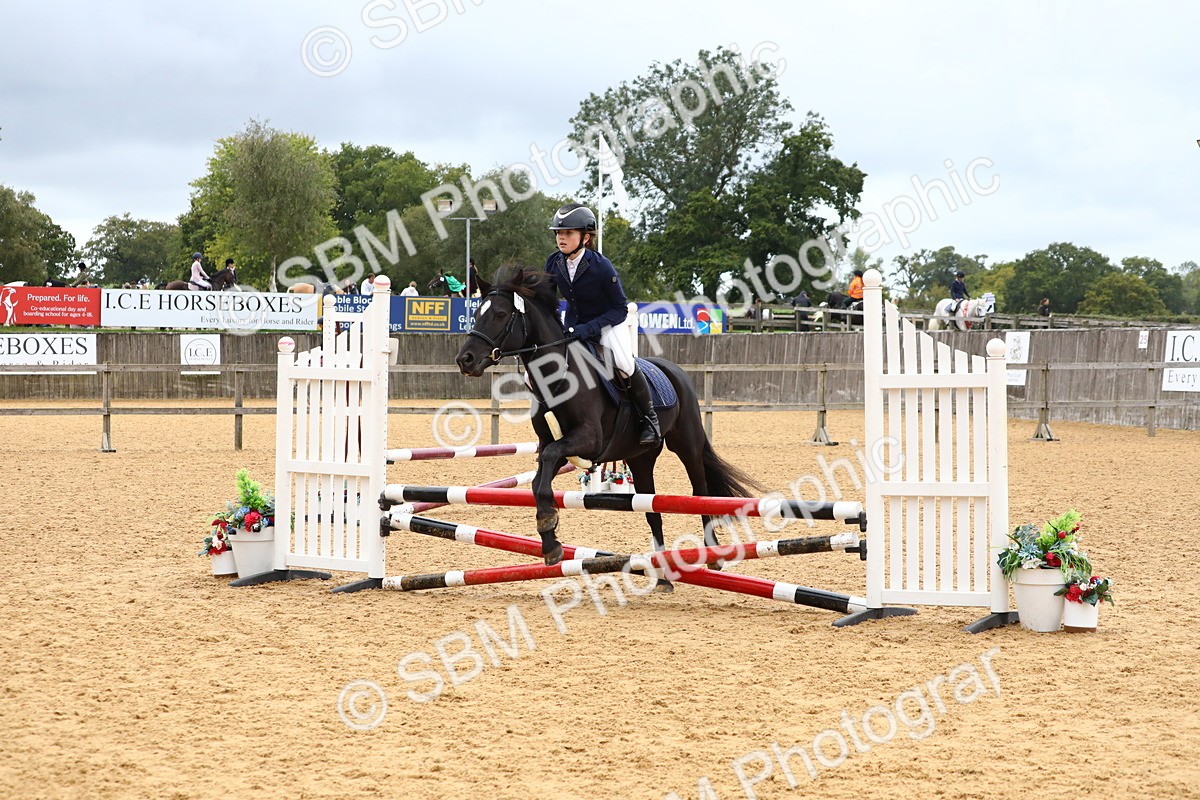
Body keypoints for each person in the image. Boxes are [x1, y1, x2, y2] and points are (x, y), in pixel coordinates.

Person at [544, 202, 660, 446]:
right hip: (574, 324)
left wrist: (588, 329)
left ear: (585, 237)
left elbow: (619, 308)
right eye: (558, 233)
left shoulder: (601, 266)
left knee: (624, 362)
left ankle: (650, 420)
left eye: (568, 233)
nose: (561, 238)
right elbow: (547, 300)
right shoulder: (554, 262)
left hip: (609, 322)